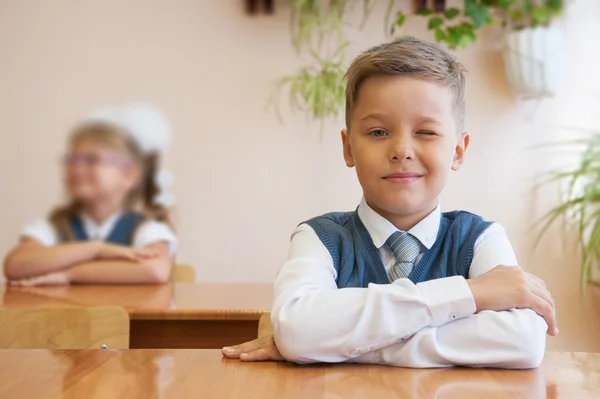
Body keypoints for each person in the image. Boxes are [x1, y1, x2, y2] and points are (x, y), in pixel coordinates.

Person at [223, 37, 557, 368]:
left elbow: (523, 341)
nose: (402, 150)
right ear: (348, 147)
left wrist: (347, 346)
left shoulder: (480, 238)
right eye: (379, 132)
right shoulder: (319, 237)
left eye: (426, 132)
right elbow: (297, 329)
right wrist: (469, 294)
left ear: (458, 150)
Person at [4, 103, 178, 285]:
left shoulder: (146, 229)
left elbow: (154, 270)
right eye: (71, 160)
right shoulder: (52, 227)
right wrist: (95, 250)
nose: (77, 168)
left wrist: (71, 274)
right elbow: (15, 265)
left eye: (91, 159)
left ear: (129, 174)